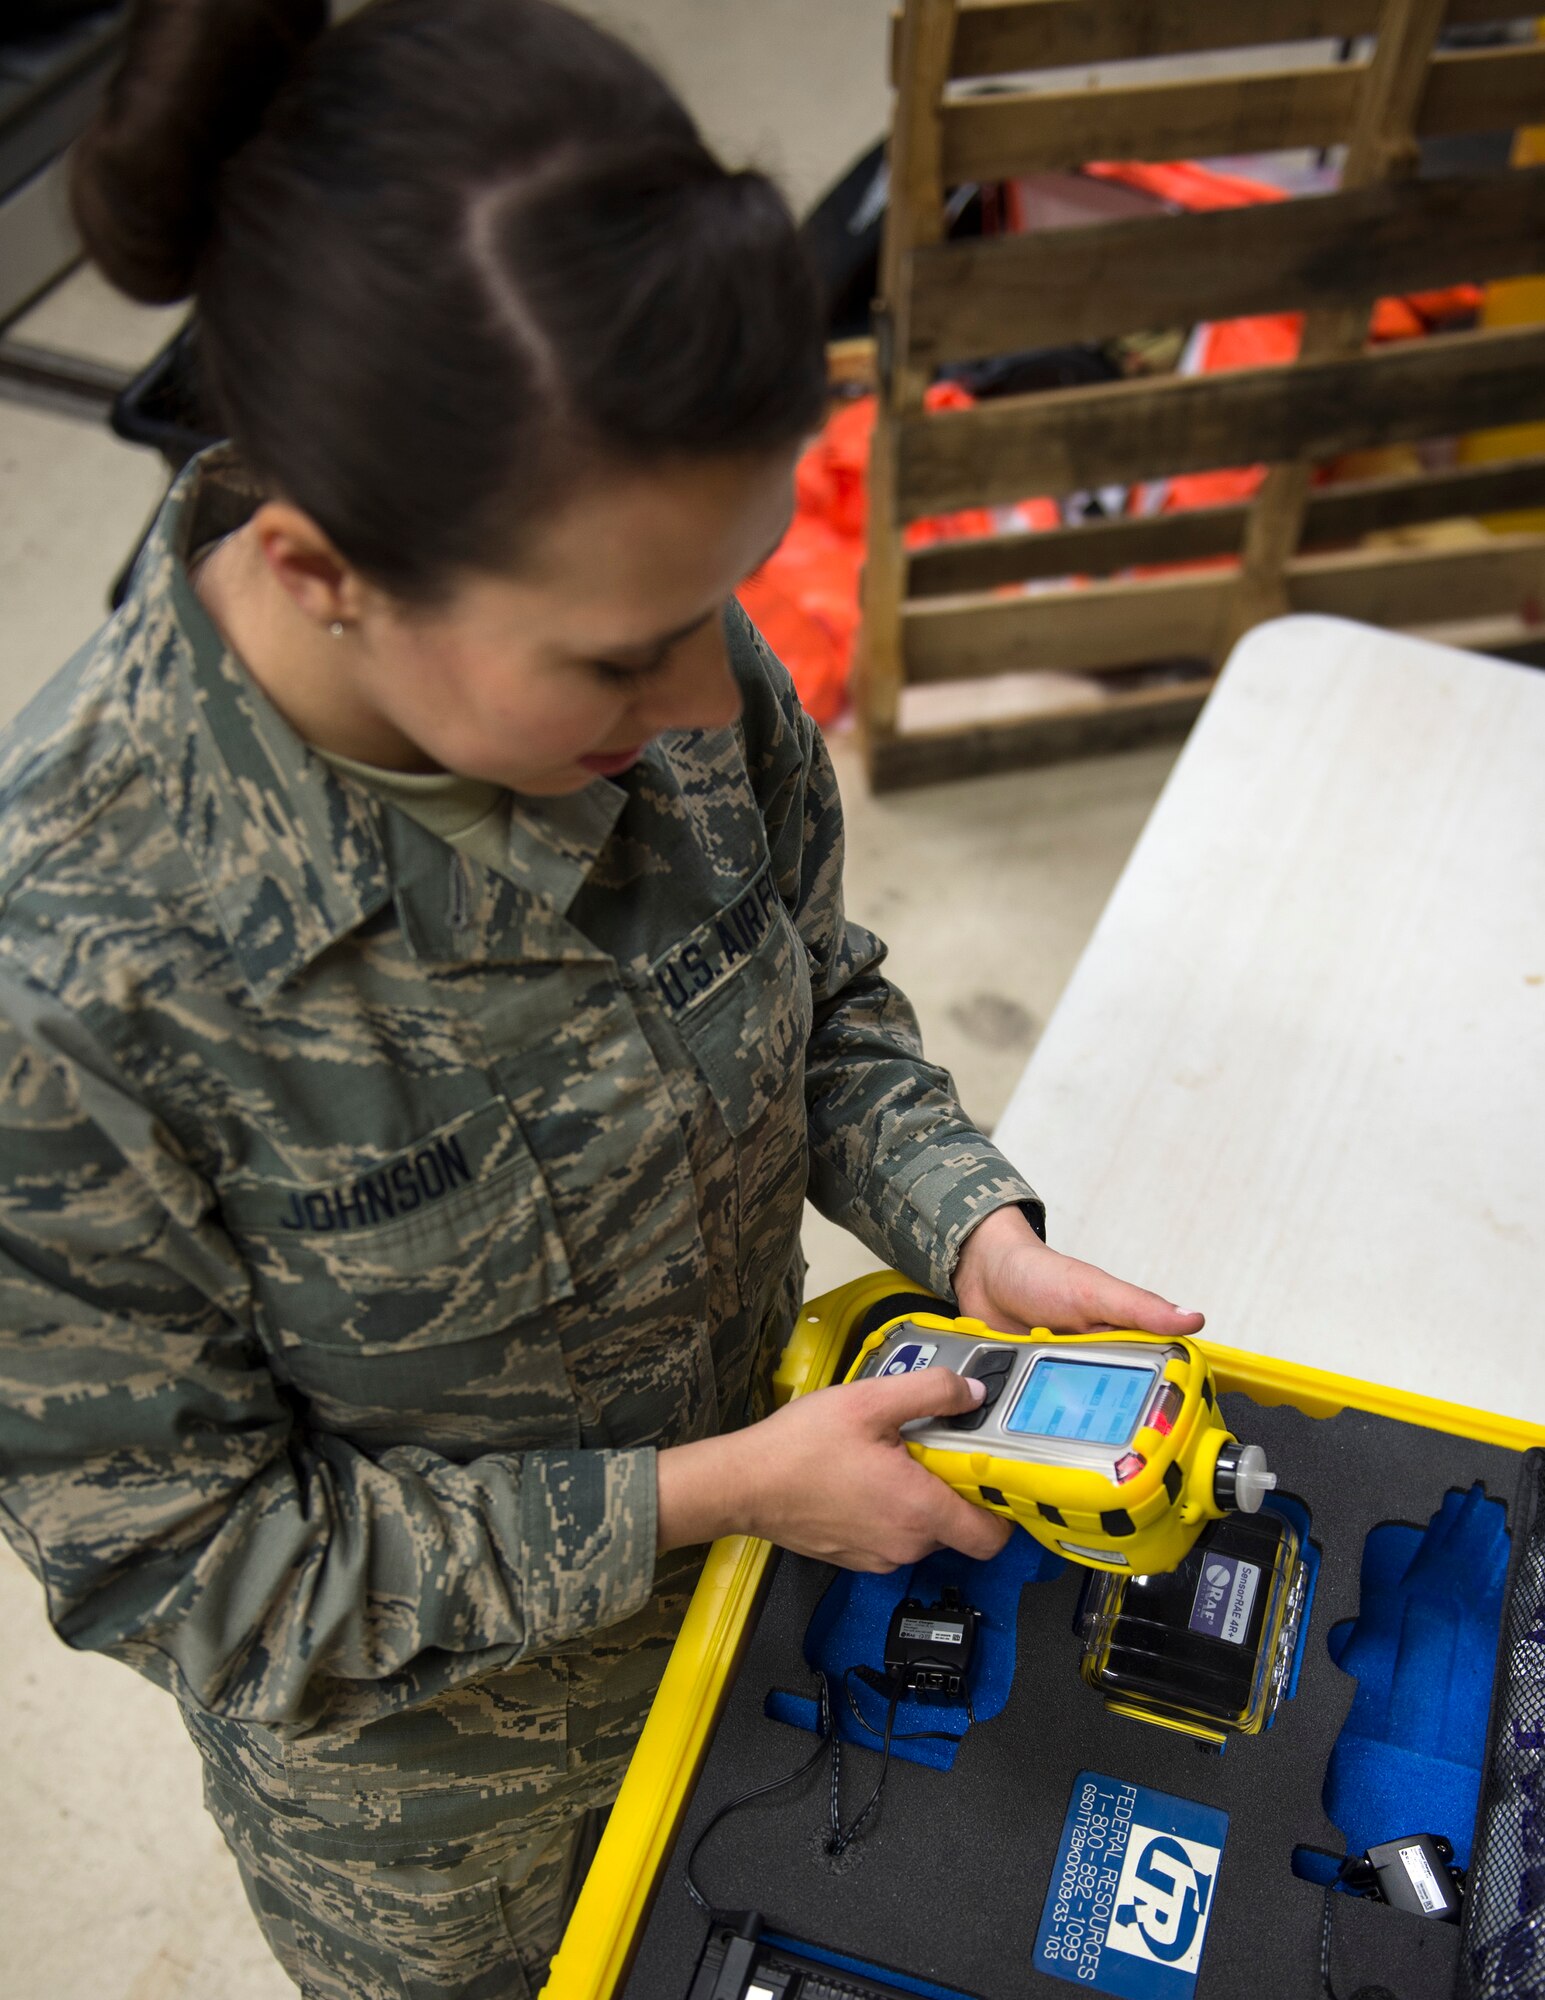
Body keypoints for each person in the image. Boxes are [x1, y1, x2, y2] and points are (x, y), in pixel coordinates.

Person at [0, 2, 1204, 1994]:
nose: (693, 707)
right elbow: (191, 1568)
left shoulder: (639, 650)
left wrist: (963, 1222)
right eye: (616, 654)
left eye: (714, 600)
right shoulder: (77, 990)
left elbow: (804, 983)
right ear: (320, 569)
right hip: (460, 1832)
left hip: (787, 1606)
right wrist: (718, 1490)